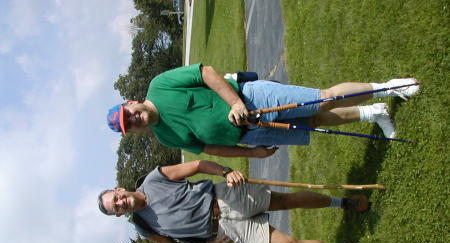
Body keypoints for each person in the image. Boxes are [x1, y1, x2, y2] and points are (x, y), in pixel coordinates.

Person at [97, 160, 374, 243]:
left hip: (227, 197)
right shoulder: (142, 226)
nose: (120, 205)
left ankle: (343, 202)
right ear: (119, 215)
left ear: (120, 190)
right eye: (116, 210)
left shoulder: (154, 179)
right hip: (228, 229)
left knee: (287, 200)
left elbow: (196, 166)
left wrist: (226, 171)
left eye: (116, 199)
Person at [106, 63, 419, 158]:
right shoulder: (165, 136)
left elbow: (207, 73)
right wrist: (251, 154)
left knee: (322, 99)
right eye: (128, 125)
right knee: (315, 120)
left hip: (253, 98)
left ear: (131, 102)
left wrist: (236, 103)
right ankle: (375, 112)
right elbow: (209, 148)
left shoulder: (160, 85)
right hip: (253, 132)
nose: (133, 120)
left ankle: (389, 87)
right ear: (133, 131)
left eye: (128, 114)